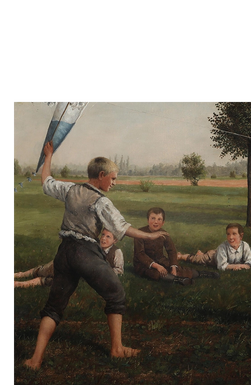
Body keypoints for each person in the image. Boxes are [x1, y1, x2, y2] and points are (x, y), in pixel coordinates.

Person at [24, 141, 167, 370]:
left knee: (54, 306)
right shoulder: (101, 200)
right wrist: (150, 236)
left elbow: (46, 182)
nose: (114, 183)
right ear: (101, 176)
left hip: (64, 253)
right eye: (112, 178)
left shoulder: (70, 189)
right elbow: (121, 227)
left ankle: (35, 360)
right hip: (84, 253)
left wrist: (48, 155)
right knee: (116, 294)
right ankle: (117, 349)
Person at [133, 207, 219, 285]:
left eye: (159, 219)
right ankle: (179, 280)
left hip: (160, 259)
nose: (156, 222)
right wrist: (157, 266)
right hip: (143, 264)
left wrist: (173, 266)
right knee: (155, 273)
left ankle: (201, 273)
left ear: (163, 223)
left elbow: (172, 250)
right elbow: (140, 254)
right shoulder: (140, 233)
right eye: (153, 218)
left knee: (177, 269)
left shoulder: (164, 234)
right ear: (148, 220)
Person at [12, 228, 123, 288]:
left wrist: (104, 273)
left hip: (86, 277)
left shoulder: (116, 252)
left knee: (54, 281)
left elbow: (119, 270)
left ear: (115, 240)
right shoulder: (94, 246)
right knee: (46, 269)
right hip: (73, 267)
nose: (103, 239)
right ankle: (21, 274)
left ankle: (20, 284)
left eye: (108, 237)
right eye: (103, 235)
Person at [177, 223, 251, 271]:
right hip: (212, 257)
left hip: (218, 253)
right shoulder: (222, 247)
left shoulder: (245, 245)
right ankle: (181, 256)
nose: (230, 237)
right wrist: (236, 266)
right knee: (198, 259)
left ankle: (200, 253)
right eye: (228, 234)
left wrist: (245, 266)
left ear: (241, 236)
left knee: (201, 256)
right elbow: (221, 266)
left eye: (234, 234)